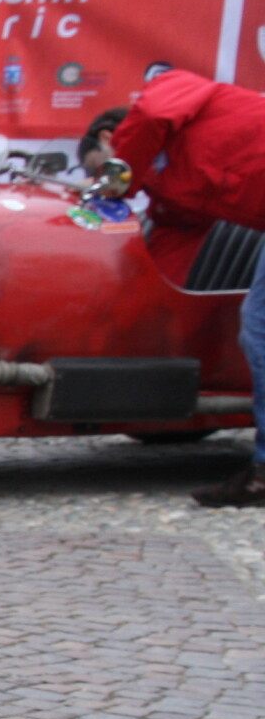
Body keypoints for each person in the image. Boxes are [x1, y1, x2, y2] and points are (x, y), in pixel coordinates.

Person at [113, 70, 265, 507]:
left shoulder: (172, 91)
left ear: (111, 137)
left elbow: (152, 112)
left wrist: (121, 176)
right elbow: (167, 258)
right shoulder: (170, 189)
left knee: (260, 330)